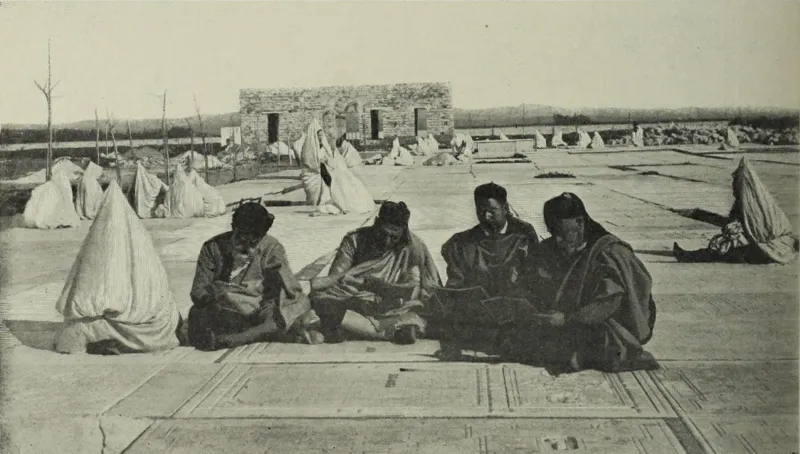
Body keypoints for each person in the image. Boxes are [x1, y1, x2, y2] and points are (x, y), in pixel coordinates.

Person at [506, 192, 658, 373]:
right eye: (553, 232)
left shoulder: (608, 252)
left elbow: (608, 303)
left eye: (562, 233)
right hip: (567, 317)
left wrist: (567, 319)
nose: (557, 239)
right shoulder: (556, 244)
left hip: (609, 322)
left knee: (593, 345)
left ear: (580, 222)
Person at [55, 181, 181, 354]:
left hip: (110, 322)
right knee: (169, 312)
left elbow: (82, 301)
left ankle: (106, 340)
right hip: (152, 328)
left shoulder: (99, 242)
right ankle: (120, 341)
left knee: (74, 331)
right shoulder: (141, 240)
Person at [188, 202, 323, 350]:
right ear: (234, 229)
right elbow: (198, 288)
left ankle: (235, 339)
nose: (248, 248)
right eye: (241, 240)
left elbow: (289, 288)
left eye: (253, 243)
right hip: (224, 310)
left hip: (258, 310)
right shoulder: (212, 248)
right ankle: (251, 334)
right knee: (197, 314)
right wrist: (213, 302)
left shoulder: (271, 247)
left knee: (283, 313)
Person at [310, 201, 441, 344]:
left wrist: (378, 287)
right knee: (321, 302)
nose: (387, 241)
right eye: (383, 234)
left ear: (403, 232)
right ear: (376, 223)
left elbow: (413, 289)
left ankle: (360, 330)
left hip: (391, 307)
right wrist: (357, 287)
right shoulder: (354, 240)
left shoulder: (411, 248)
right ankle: (392, 331)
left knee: (420, 308)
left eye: (393, 237)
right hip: (353, 301)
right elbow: (336, 280)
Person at [674, 157, 798, 264]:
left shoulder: (751, 206)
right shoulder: (753, 202)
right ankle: (689, 255)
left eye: (735, 183)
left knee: (723, 252)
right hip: (769, 247)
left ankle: (687, 256)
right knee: (725, 248)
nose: (733, 187)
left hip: (768, 250)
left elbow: (756, 231)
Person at [441, 183, 540, 299]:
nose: (486, 216)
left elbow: (534, 277)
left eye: (492, 210)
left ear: (505, 209)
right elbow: (455, 283)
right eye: (481, 210)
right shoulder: (460, 243)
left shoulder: (524, 234)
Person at [299, 119, 375, 215]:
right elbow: (308, 160)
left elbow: (329, 157)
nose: (320, 136)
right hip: (317, 170)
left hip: (325, 169)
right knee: (327, 187)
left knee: (335, 185)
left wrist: (327, 161)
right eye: (318, 135)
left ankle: (337, 203)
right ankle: (326, 203)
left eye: (321, 134)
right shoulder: (310, 147)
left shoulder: (323, 146)